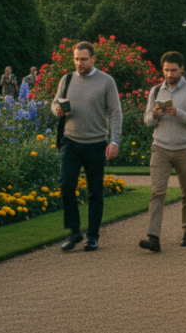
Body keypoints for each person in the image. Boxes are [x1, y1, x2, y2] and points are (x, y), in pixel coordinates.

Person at [51, 41, 123, 252]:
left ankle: (93, 236)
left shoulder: (106, 81)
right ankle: (74, 232)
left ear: (93, 59)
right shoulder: (67, 79)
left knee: (94, 192)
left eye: (83, 59)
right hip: (70, 141)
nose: (79, 63)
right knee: (66, 186)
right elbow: (55, 102)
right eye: (76, 59)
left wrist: (114, 141)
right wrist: (57, 109)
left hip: (96, 143)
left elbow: (115, 113)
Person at [139, 52, 186, 253]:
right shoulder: (156, 90)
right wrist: (155, 115)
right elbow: (147, 121)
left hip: (185, 148)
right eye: (166, 70)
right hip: (160, 147)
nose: (169, 73)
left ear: (182, 69)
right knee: (157, 192)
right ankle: (153, 237)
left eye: (173, 70)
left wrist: (178, 113)